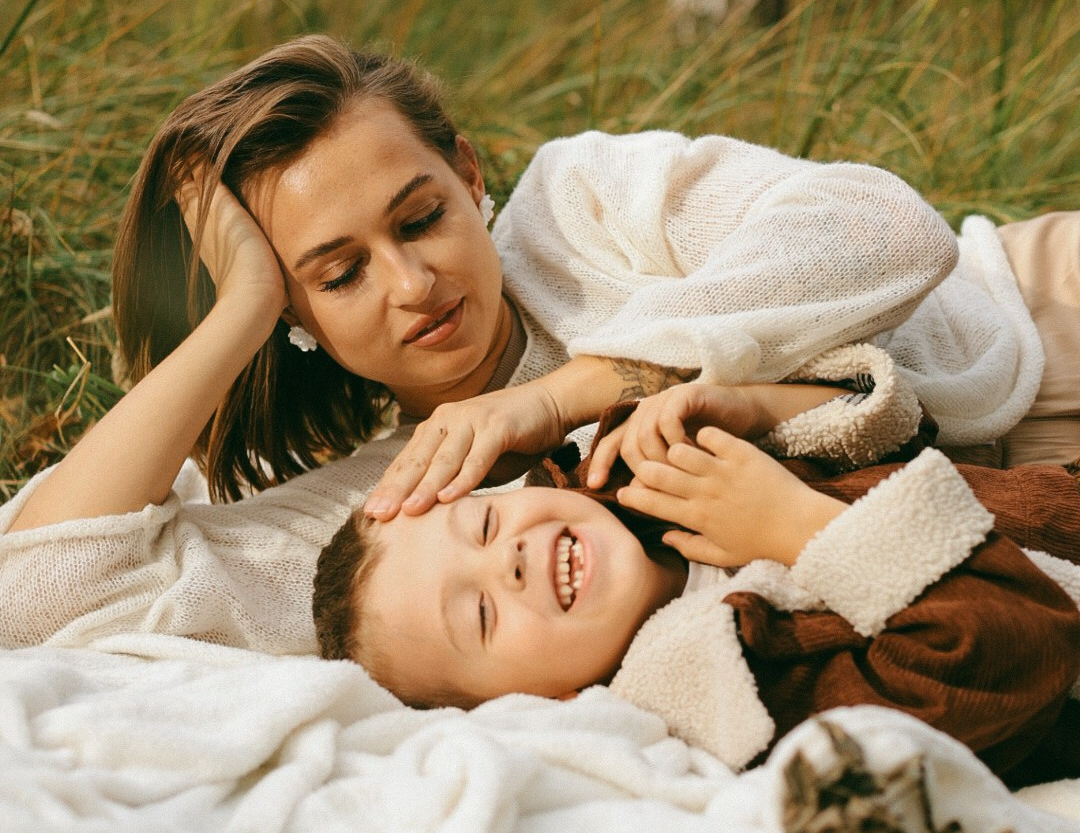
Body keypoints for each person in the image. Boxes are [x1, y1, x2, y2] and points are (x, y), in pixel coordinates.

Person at [2, 33, 1077, 653]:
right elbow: (30, 593)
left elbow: (889, 230)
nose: (413, 283)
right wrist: (236, 313)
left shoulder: (576, 204)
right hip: (1002, 521)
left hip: (1026, 322)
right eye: (339, 274)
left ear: (470, 175)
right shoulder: (401, 502)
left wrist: (563, 396)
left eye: (420, 216)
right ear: (295, 315)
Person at [310, 374, 1080, 791]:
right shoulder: (739, 697)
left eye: (481, 526)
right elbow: (1017, 650)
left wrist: (752, 404)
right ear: (537, 708)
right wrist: (794, 528)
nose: (504, 560)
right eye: (479, 615)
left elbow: (904, 429)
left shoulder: (634, 472)